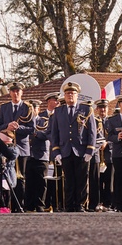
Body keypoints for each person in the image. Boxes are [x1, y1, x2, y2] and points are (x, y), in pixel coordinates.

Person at [48, 82, 97, 213]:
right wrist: (56, 151)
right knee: (68, 180)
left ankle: (80, 204)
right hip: (65, 150)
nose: (70, 95)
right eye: (68, 93)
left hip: (81, 150)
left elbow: (92, 131)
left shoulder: (86, 110)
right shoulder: (58, 111)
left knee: (81, 180)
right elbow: (54, 133)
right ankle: (69, 205)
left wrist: (90, 150)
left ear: (77, 96)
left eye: (73, 93)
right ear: (64, 95)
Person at [0, 82, 33, 212]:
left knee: (20, 178)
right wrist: (7, 127)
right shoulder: (4, 107)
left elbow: (32, 128)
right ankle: (7, 205)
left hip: (21, 147)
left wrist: (18, 127)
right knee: (7, 177)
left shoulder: (28, 107)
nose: (15, 93)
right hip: (6, 147)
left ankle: (19, 205)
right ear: (10, 93)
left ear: (22, 92)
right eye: (13, 91)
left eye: (18, 91)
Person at [26, 93, 56, 212]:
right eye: (30, 108)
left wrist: (35, 134)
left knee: (41, 182)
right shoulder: (25, 121)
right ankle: (28, 205)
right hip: (28, 154)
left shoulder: (44, 120)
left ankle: (40, 204)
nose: (33, 111)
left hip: (41, 154)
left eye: (35, 108)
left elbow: (49, 134)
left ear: (38, 109)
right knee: (29, 181)